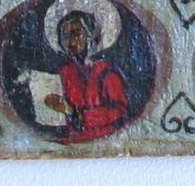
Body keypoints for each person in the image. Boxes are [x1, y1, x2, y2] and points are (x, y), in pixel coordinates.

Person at [37, 10, 130, 142]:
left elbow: (120, 110)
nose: (71, 42)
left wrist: (78, 115)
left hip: (102, 140)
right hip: (71, 141)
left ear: (91, 36)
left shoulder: (105, 73)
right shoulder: (65, 73)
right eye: (65, 37)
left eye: (76, 34)